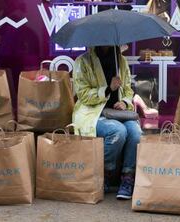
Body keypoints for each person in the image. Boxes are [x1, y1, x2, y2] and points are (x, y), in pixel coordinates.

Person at [72, 46, 142, 200]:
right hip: (93, 113)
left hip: (119, 113)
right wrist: (108, 89)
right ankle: (104, 174)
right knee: (117, 131)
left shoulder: (121, 60)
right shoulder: (82, 61)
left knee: (136, 134)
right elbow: (83, 95)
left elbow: (128, 89)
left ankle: (127, 178)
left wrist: (124, 101)